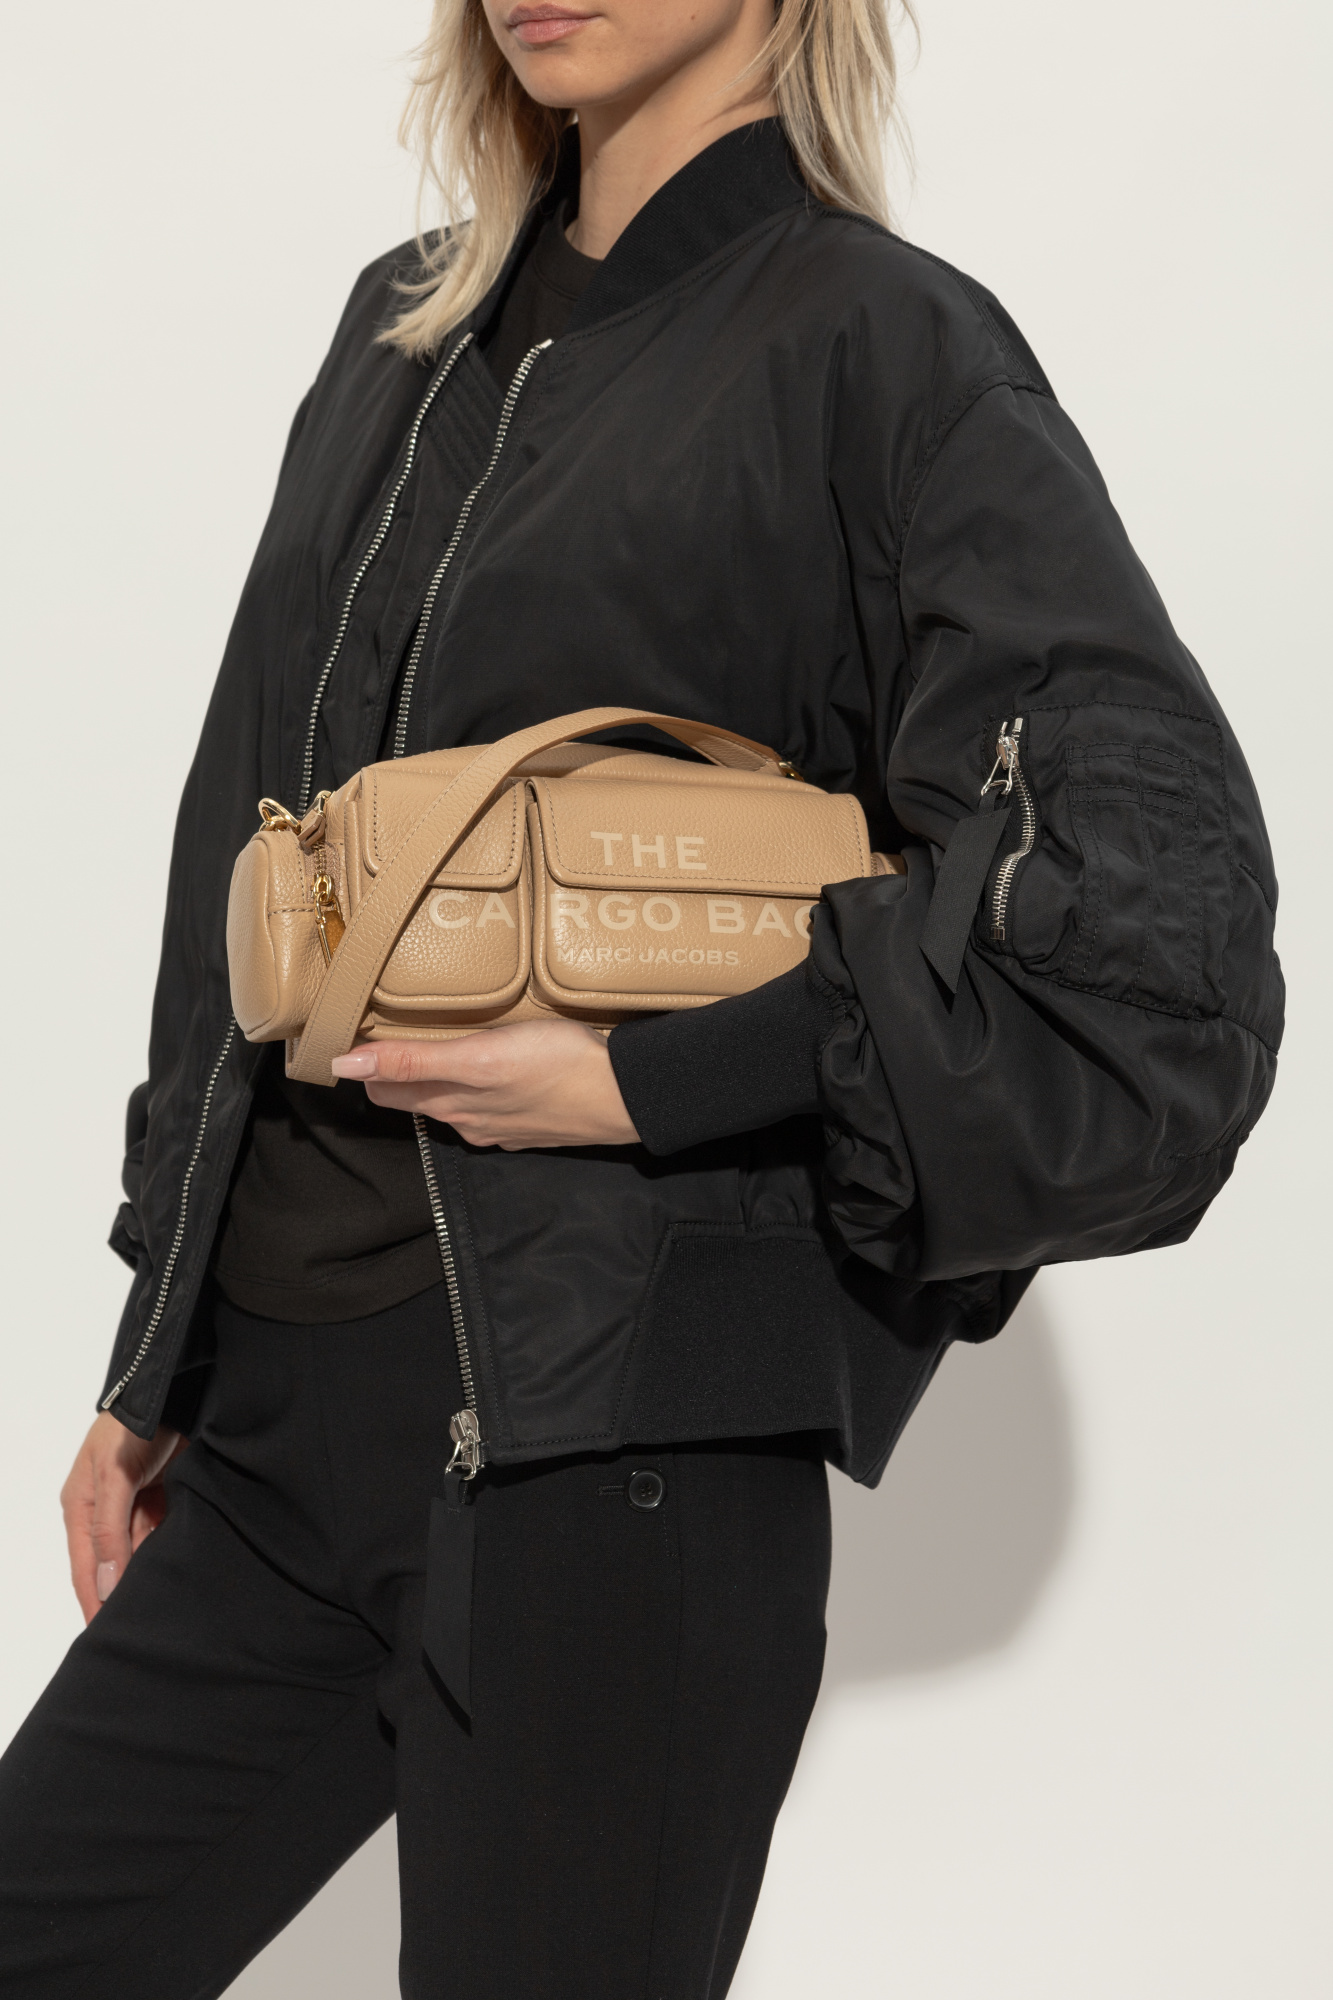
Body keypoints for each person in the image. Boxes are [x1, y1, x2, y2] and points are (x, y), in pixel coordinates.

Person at [0, 0, 1283, 1993]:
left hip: (613, 1466)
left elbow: (1145, 928)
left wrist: (651, 1079)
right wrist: (149, 1348)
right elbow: (242, 853)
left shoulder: (880, 347)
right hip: (268, 1447)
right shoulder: (402, 334)